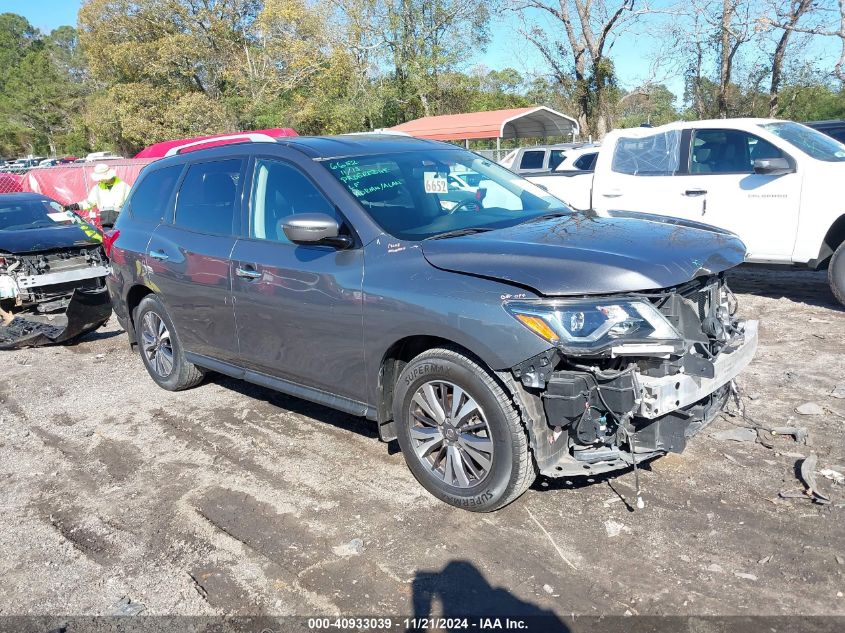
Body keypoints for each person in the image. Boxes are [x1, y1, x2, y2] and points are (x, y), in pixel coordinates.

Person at [66, 163, 131, 228]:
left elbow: (131, 204)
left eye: (101, 178)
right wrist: (70, 207)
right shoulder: (97, 189)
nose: (99, 180)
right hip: (106, 226)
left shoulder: (124, 186)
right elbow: (88, 203)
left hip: (122, 224)